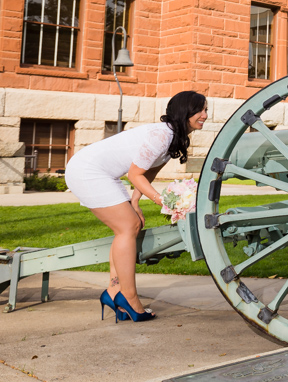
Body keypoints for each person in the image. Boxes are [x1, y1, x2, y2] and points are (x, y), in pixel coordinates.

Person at [65, 91, 208, 322]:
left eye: (205, 110)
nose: (205, 115)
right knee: (128, 226)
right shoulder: (162, 135)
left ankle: (113, 291)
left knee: (133, 224)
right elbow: (134, 174)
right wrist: (163, 201)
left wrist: (135, 202)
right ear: (186, 112)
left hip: (103, 173)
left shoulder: (175, 136)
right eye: (200, 110)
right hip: (87, 170)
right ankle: (129, 297)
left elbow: (147, 172)